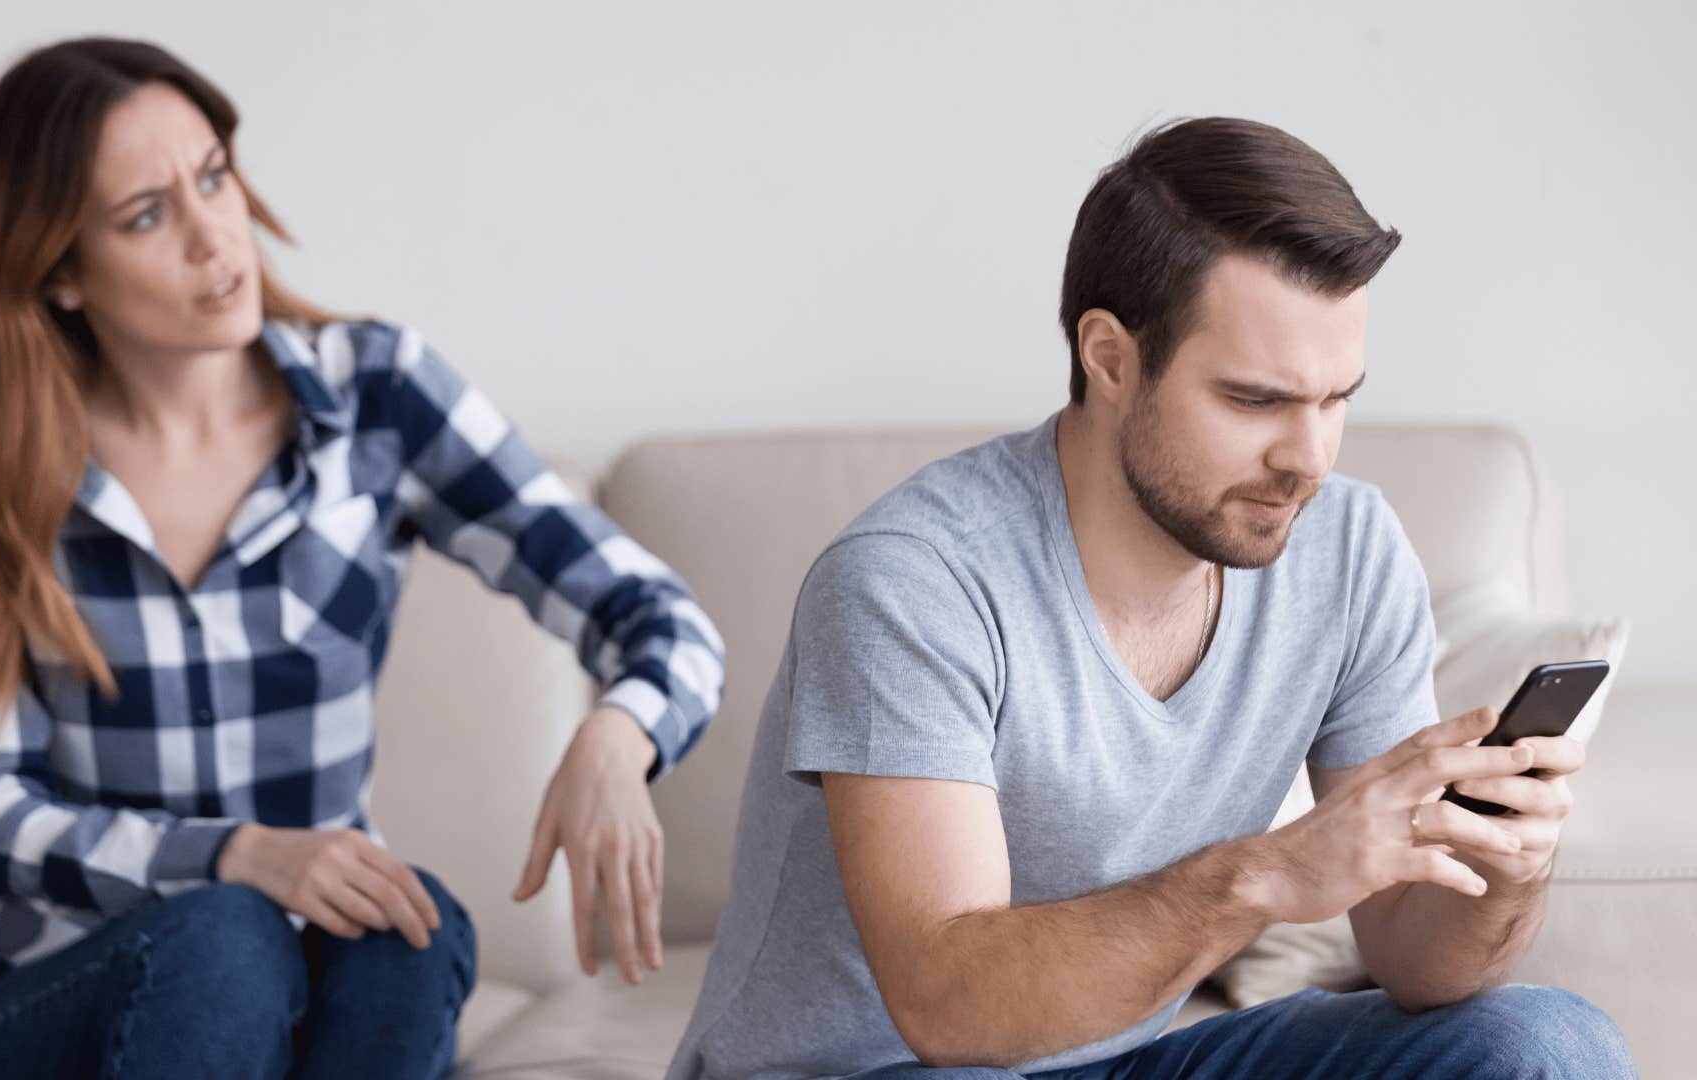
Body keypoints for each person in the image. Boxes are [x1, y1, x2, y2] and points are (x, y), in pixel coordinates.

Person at [667, 117, 1635, 1078]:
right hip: (876, 1070)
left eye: (1337, 398)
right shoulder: (912, 582)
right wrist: (1270, 873)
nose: (1309, 460)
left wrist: (1501, 872)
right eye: (1255, 401)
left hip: (1109, 1063)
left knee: (1547, 1046)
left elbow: (1415, 961)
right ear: (1111, 359)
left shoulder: (1349, 552)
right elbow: (945, 1005)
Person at [0, 37, 724, 1080]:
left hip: (279, 988)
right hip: (42, 1007)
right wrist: (235, 855)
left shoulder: (377, 400)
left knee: (408, 932)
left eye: (213, 176)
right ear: (58, 274)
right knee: (227, 931)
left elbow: (659, 613)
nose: (212, 234)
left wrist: (615, 737)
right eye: (146, 215)